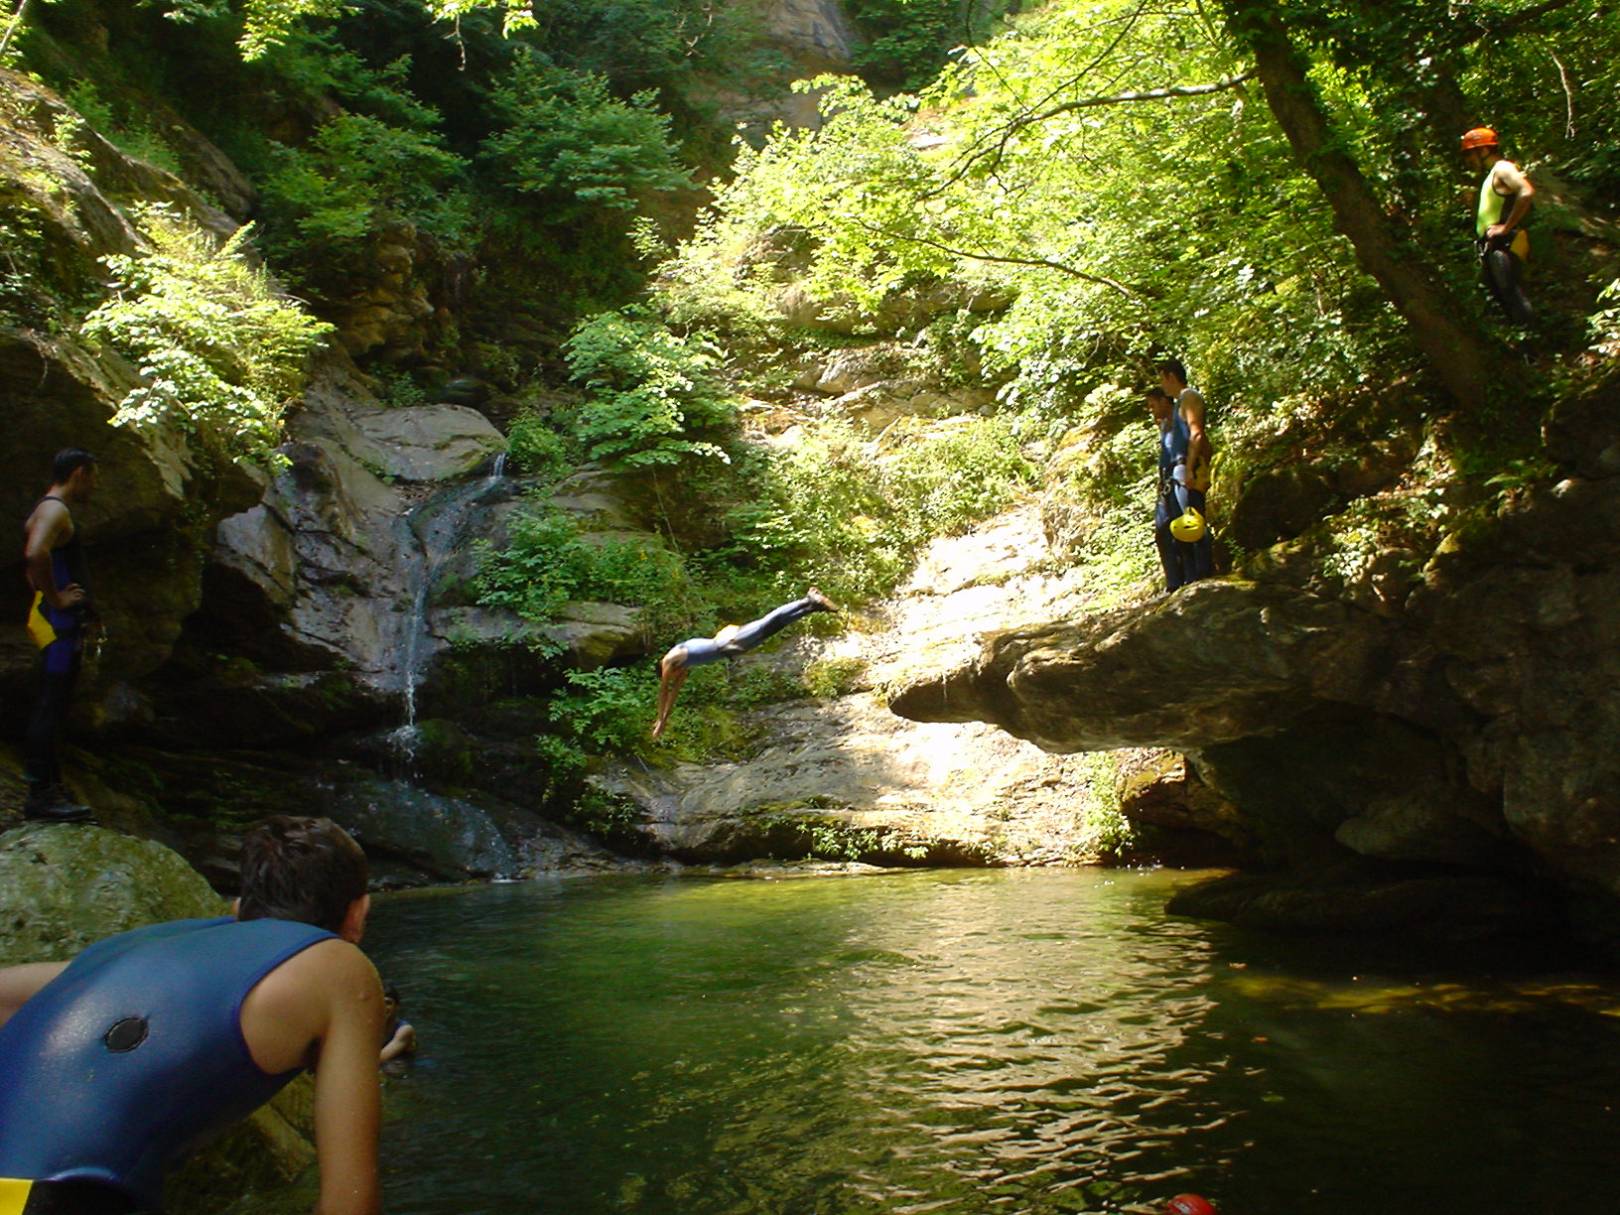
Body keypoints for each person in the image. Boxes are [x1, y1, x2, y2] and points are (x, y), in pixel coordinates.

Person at [0, 816, 385, 1215]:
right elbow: (349, 1203)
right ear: (357, 914)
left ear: (240, 909)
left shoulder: (136, 949)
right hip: (53, 1200)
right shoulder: (339, 966)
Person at [20, 448, 100, 823]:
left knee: (56, 705)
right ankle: (42, 796)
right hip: (59, 627)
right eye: (93, 477)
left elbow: (33, 560)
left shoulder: (46, 509)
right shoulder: (55, 510)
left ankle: (50, 786)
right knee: (50, 706)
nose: (95, 486)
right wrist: (57, 598)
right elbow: (36, 554)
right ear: (80, 473)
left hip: (59, 624)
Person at [650, 589, 838, 739]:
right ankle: (812, 607)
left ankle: (807, 599)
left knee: (766, 623)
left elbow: (665, 691)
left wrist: (660, 721)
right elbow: (675, 693)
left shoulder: (669, 660)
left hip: (727, 641)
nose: (679, 677)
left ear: (664, 671)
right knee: (771, 629)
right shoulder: (681, 667)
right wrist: (665, 719)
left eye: (673, 676)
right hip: (731, 648)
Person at [1461, 126, 1535, 326]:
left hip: (1506, 243)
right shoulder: (1490, 175)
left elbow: (1526, 192)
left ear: (1483, 150)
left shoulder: (1502, 168)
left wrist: (1505, 227)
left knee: (1513, 296)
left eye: (1470, 154)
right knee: (1504, 298)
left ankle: (1534, 349)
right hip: (1494, 246)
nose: (1468, 161)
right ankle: (1525, 347)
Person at [1152, 360, 1214, 591]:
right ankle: (1191, 580)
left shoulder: (1189, 397)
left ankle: (1204, 575)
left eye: (1161, 378)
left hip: (1184, 468)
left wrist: (1190, 468)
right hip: (1176, 470)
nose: (1161, 384)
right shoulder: (1178, 404)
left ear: (1170, 376)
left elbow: (1197, 435)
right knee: (1179, 528)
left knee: (1193, 523)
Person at [379, 983, 417, 1066]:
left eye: (388, 1003)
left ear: (397, 1006)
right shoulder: (370, 1028)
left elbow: (381, 1058)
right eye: (379, 1002)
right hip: (378, 1063)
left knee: (393, 1068)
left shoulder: (404, 1030)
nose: (383, 1007)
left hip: (402, 1067)